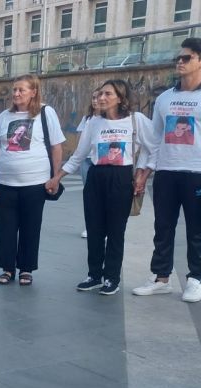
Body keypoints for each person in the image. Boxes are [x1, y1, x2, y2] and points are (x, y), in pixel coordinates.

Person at [134, 38, 201, 303]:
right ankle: (161, 278)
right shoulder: (165, 98)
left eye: (186, 58)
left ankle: (194, 279)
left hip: (199, 173)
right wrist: (145, 171)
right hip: (166, 172)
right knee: (163, 227)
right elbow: (155, 138)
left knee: (196, 229)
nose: (179, 62)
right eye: (179, 58)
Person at [51, 79, 155, 295]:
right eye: (100, 94)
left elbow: (154, 148)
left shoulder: (136, 120)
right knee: (95, 229)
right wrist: (57, 177)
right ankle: (94, 275)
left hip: (120, 177)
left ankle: (112, 278)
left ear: (121, 97)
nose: (101, 98)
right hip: (96, 176)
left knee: (116, 231)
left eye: (108, 94)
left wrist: (142, 173)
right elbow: (79, 155)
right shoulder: (93, 122)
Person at [0, 74, 66, 286]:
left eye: (21, 90)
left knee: (31, 226)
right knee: (7, 227)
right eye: (14, 90)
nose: (16, 93)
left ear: (34, 92)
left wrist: (55, 177)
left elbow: (56, 146)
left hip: (36, 183)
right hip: (6, 182)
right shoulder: (4, 116)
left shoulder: (46, 113)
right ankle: (8, 268)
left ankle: (26, 269)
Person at [77, 90, 100, 237]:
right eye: (93, 97)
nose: (96, 100)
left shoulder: (111, 119)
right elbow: (80, 140)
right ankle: (90, 226)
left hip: (102, 162)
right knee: (89, 195)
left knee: (103, 195)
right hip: (86, 161)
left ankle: (103, 227)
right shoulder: (87, 119)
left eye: (99, 97)